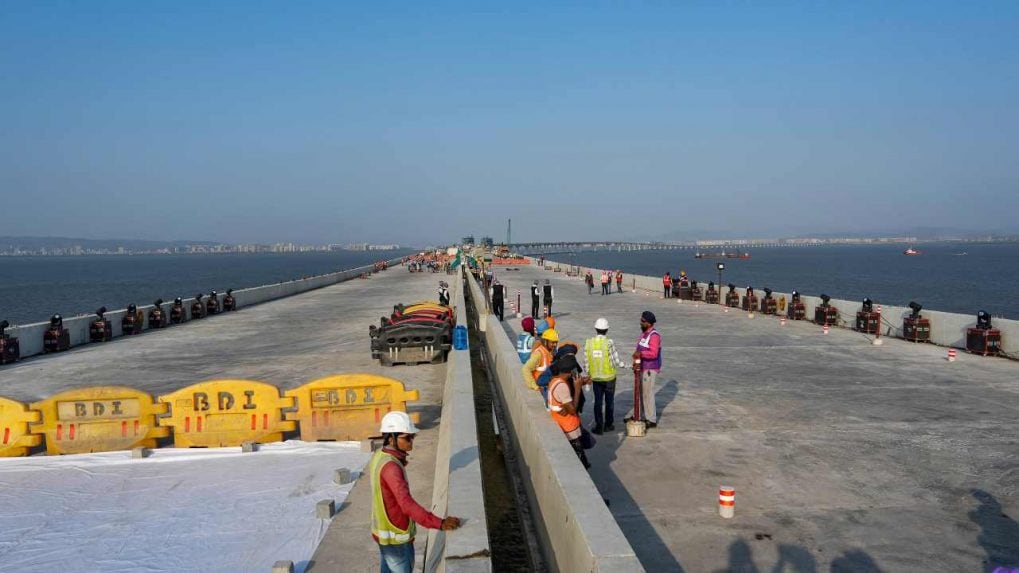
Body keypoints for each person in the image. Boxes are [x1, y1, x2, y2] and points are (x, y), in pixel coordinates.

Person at [370, 411, 461, 573]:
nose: (411, 441)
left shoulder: (380, 456)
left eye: (412, 437)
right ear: (391, 438)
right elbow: (407, 505)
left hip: (384, 536)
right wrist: (439, 523)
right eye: (407, 437)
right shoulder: (391, 468)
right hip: (396, 539)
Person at [547, 354, 592, 469]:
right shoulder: (562, 386)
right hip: (569, 428)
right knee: (579, 456)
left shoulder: (555, 380)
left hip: (565, 423)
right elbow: (572, 410)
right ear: (570, 372)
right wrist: (577, 389)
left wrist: (582, 382)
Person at [583, 317, 627, 435]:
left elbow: (586, 361)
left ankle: (599, 426)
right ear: (607, 330)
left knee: (598, 402)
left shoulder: (589, 343)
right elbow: (615, 360)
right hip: (609, 378)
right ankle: (608, 424)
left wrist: (588, 374)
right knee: (609, 401)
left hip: (596, 378)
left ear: (595, 329)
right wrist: (625, 365)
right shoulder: (609, 342)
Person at [626, 311, 662, 428]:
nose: (640, 323)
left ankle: (651, 419)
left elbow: (653, 353)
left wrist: (640, 354)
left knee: (647, 393)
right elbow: (637, 351)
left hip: (650, 369)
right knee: (639, 392)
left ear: (649, 323)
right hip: (641, 368)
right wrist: (635, 363)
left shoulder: (654, 336)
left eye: (643, 321)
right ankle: (639, 415)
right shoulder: (643, 335)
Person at [521, 328, 557, 396]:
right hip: (542, 388)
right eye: (552, 342)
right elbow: (525, 369)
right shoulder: (539, 354)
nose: (555, 345)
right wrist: (534, 386)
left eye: (556, 342)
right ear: (546, 342)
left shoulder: (551, 352)